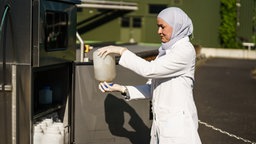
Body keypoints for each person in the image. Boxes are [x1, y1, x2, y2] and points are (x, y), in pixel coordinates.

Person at [97, 7, 201, 144]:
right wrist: (122, 89)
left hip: (178, 130)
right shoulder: (166, 51)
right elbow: (153, 89)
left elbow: (149, 69)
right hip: (162, 127)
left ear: (177, 26)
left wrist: (121, 51)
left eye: (162, 27)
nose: (159, 31)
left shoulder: (184, 51)